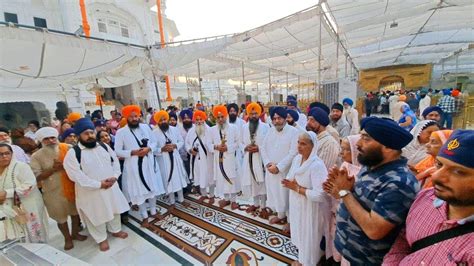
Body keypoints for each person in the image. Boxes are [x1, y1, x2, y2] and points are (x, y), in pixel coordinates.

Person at [323, 117, 420, 265]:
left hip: (367, 260)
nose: (358, 144)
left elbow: (374, 230)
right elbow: (360, 202)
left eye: (366, 139)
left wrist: (345, 192)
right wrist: (341, 190)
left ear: (388, 146)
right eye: (361, 136)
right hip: (349, 252)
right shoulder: (371, 165)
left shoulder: (399, 182)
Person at [383, 130, 474, 265]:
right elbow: (404, 241)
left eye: (458, 171)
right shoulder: (425, 197)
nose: (436, 176)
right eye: (439, 165)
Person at [63, 119, 129, 251]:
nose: (90, 136)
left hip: (110, 187)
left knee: (114, 209)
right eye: (86, 134)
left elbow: (115, 161)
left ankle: (115, 230)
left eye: (91, 132)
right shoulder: (73, 153)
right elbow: (76, 175)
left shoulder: (103, 146)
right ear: (78, 136)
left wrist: (115, 176)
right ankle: (101, 239)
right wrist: (98, 184)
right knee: (95, 214)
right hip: (90, 192)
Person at [30, 127, 86, 250]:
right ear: (41, 141)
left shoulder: (68, 148)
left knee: (75, 213)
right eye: (46, 139)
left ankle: (75, 234)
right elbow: (36, 176)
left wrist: (66, 166)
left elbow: (81, 165)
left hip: (72, 187)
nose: (50, 140)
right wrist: (53, 169)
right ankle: (67, 238)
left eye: (52, 138)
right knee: (60, 218)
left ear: (57, 138)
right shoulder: (36, 156)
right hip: (52, 192)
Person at [282, 131, 330, 266]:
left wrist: (298, 188)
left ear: (312, 146)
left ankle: (308, 262)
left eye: (303, 144)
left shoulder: (317, 165)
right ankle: (302, 259)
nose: (299, 146)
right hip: (297, 204)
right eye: (298, 142)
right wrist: (290, 183)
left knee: (309, 236)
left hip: (310, 208)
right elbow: (291, 178)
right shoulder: (297, 159)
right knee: (300, 233)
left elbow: (320, 195)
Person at [114, 105, 165, 228]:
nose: (134, 119)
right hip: (133, 167)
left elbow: (154, 142)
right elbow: (117, 151)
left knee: (152, 188)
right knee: (139, 192)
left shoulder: (145, 127)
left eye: (136, 116)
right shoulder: (121, 132)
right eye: (131, 117)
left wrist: (148, 149)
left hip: (148, 163)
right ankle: (144, 216)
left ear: (139, 116)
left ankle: (153, 212)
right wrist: (132, 152)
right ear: (126, 118)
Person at [0, 143, 48, 243]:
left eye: (7, 153)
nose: (4, 156)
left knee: (35, 231)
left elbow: (29, 185)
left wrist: (7, 193)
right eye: (0, 154)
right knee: (19, 233)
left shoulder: (21, 167)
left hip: (29, 204)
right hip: (10, 208)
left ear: (12, 154)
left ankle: (40, 251)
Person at [261, 107, 298, 224]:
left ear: (285, 119)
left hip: (285, 171)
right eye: (274, 119)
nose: (277, 121)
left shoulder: (293, 132)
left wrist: (279, 167)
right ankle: (280, 214)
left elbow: (293, 153)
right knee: (275, 193)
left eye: (279, 118)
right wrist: (268, 164)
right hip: (271, 170)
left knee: (286, 195)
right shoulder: (270, 131)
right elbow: (263, 148)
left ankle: (290, 221)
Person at [153, 111, 189, 208]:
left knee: (178, 178)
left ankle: (181, 199)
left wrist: (175, 145)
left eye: (165, 119)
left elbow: (181, 141)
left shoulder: (174, 130)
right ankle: (172, 202)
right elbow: (152, 149)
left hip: (175, 158)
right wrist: (161, 149)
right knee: (167, 180)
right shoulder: (154, 133)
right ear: (157, 122)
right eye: (161, 120)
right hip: (163, 161)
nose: (163, 122)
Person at [241, 103, 270, 216]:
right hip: (248, 157)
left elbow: (268, 143)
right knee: (252, 181)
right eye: (251, 113)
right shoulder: (244, 127)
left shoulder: (265, 127)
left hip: (260, 158)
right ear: (248, 114)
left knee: (261, 181)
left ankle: (263, 206)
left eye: (255, 113)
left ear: (259, 114)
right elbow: (241, 142)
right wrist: (245, 147)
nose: (253, 116)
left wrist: (259, 148)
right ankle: (255, 203)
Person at [209, 105, 240, 209]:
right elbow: (208, 144)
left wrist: (228, 148)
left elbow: (238, 142)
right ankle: (226, 199)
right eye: (218, 118)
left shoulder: (234, 128)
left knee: (231, 178)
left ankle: (234, 200)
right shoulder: (212, 130)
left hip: (230, 158)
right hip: (219, 159)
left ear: (226, 116)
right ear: (215, 118)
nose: (220, 119)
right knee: (222, 178)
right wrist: (216, 147)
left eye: (222, 117)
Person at [185, 110, 215, 203]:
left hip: (208, 159)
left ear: (204, 119)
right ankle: (203, 194)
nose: (199, 121)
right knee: (199, 176)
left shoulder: (210, 130)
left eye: (200, 119)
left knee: (209, 176)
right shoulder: (191, 131)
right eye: (197, 119)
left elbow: (213, 144)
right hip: (196, 159)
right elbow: (187, 143)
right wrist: (190, 150)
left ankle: (212, 195)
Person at [178, 109, 194, 176]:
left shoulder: (196, 127)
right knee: (187, 173)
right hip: (184, 156)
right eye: (184, 118)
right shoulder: (178, 129)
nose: (186, 120)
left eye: (188, 118)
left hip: (195, 155)